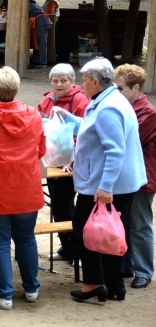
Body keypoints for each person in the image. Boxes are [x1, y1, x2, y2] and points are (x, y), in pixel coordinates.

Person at [51, 58, 146, 303]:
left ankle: (94, 282)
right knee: (110, 232)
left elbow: (115, 150)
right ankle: (114, 285)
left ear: (95, 81)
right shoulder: (110, 101)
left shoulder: (108, 107)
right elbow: (93, 129)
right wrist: (69, 119)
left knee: (86, 229)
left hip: (104, 185)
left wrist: (105, 187)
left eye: (84, 80)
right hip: (113, 183)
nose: (81, 86)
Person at [0, 67, 46, 310]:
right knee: (26, 238)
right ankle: (31, 288)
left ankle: (4, 294)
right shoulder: (34, 116)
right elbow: (41, 150)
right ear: (16, 89)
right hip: (26, 186)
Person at [36, 63, 90, 265]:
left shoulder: (80, 100)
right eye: (55, 80)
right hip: (51, 162)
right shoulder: (47, 99)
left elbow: (83, 134)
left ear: (72, 81)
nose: (59, 84)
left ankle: (78, 251)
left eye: (63, 80)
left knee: (66, 208)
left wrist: (73, 160)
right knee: (58, 207)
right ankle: (67, 248)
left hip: (71, 165)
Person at [115, 64, 156, 289]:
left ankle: (144, 271)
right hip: (128, 175)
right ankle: (127, 265)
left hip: (143, 176)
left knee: (140, 224)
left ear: (137, 88)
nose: (116, 92)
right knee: (126, 221)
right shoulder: (125, 106)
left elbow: (128, 140)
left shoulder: (147, 112)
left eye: (120, 88)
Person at [29, 0, 52, 68]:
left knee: (42, 44)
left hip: (41, 24)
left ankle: (42, 62)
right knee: (39, 43)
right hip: (46, 22)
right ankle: (37, 61)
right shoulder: (34, 4)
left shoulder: (27, 5)